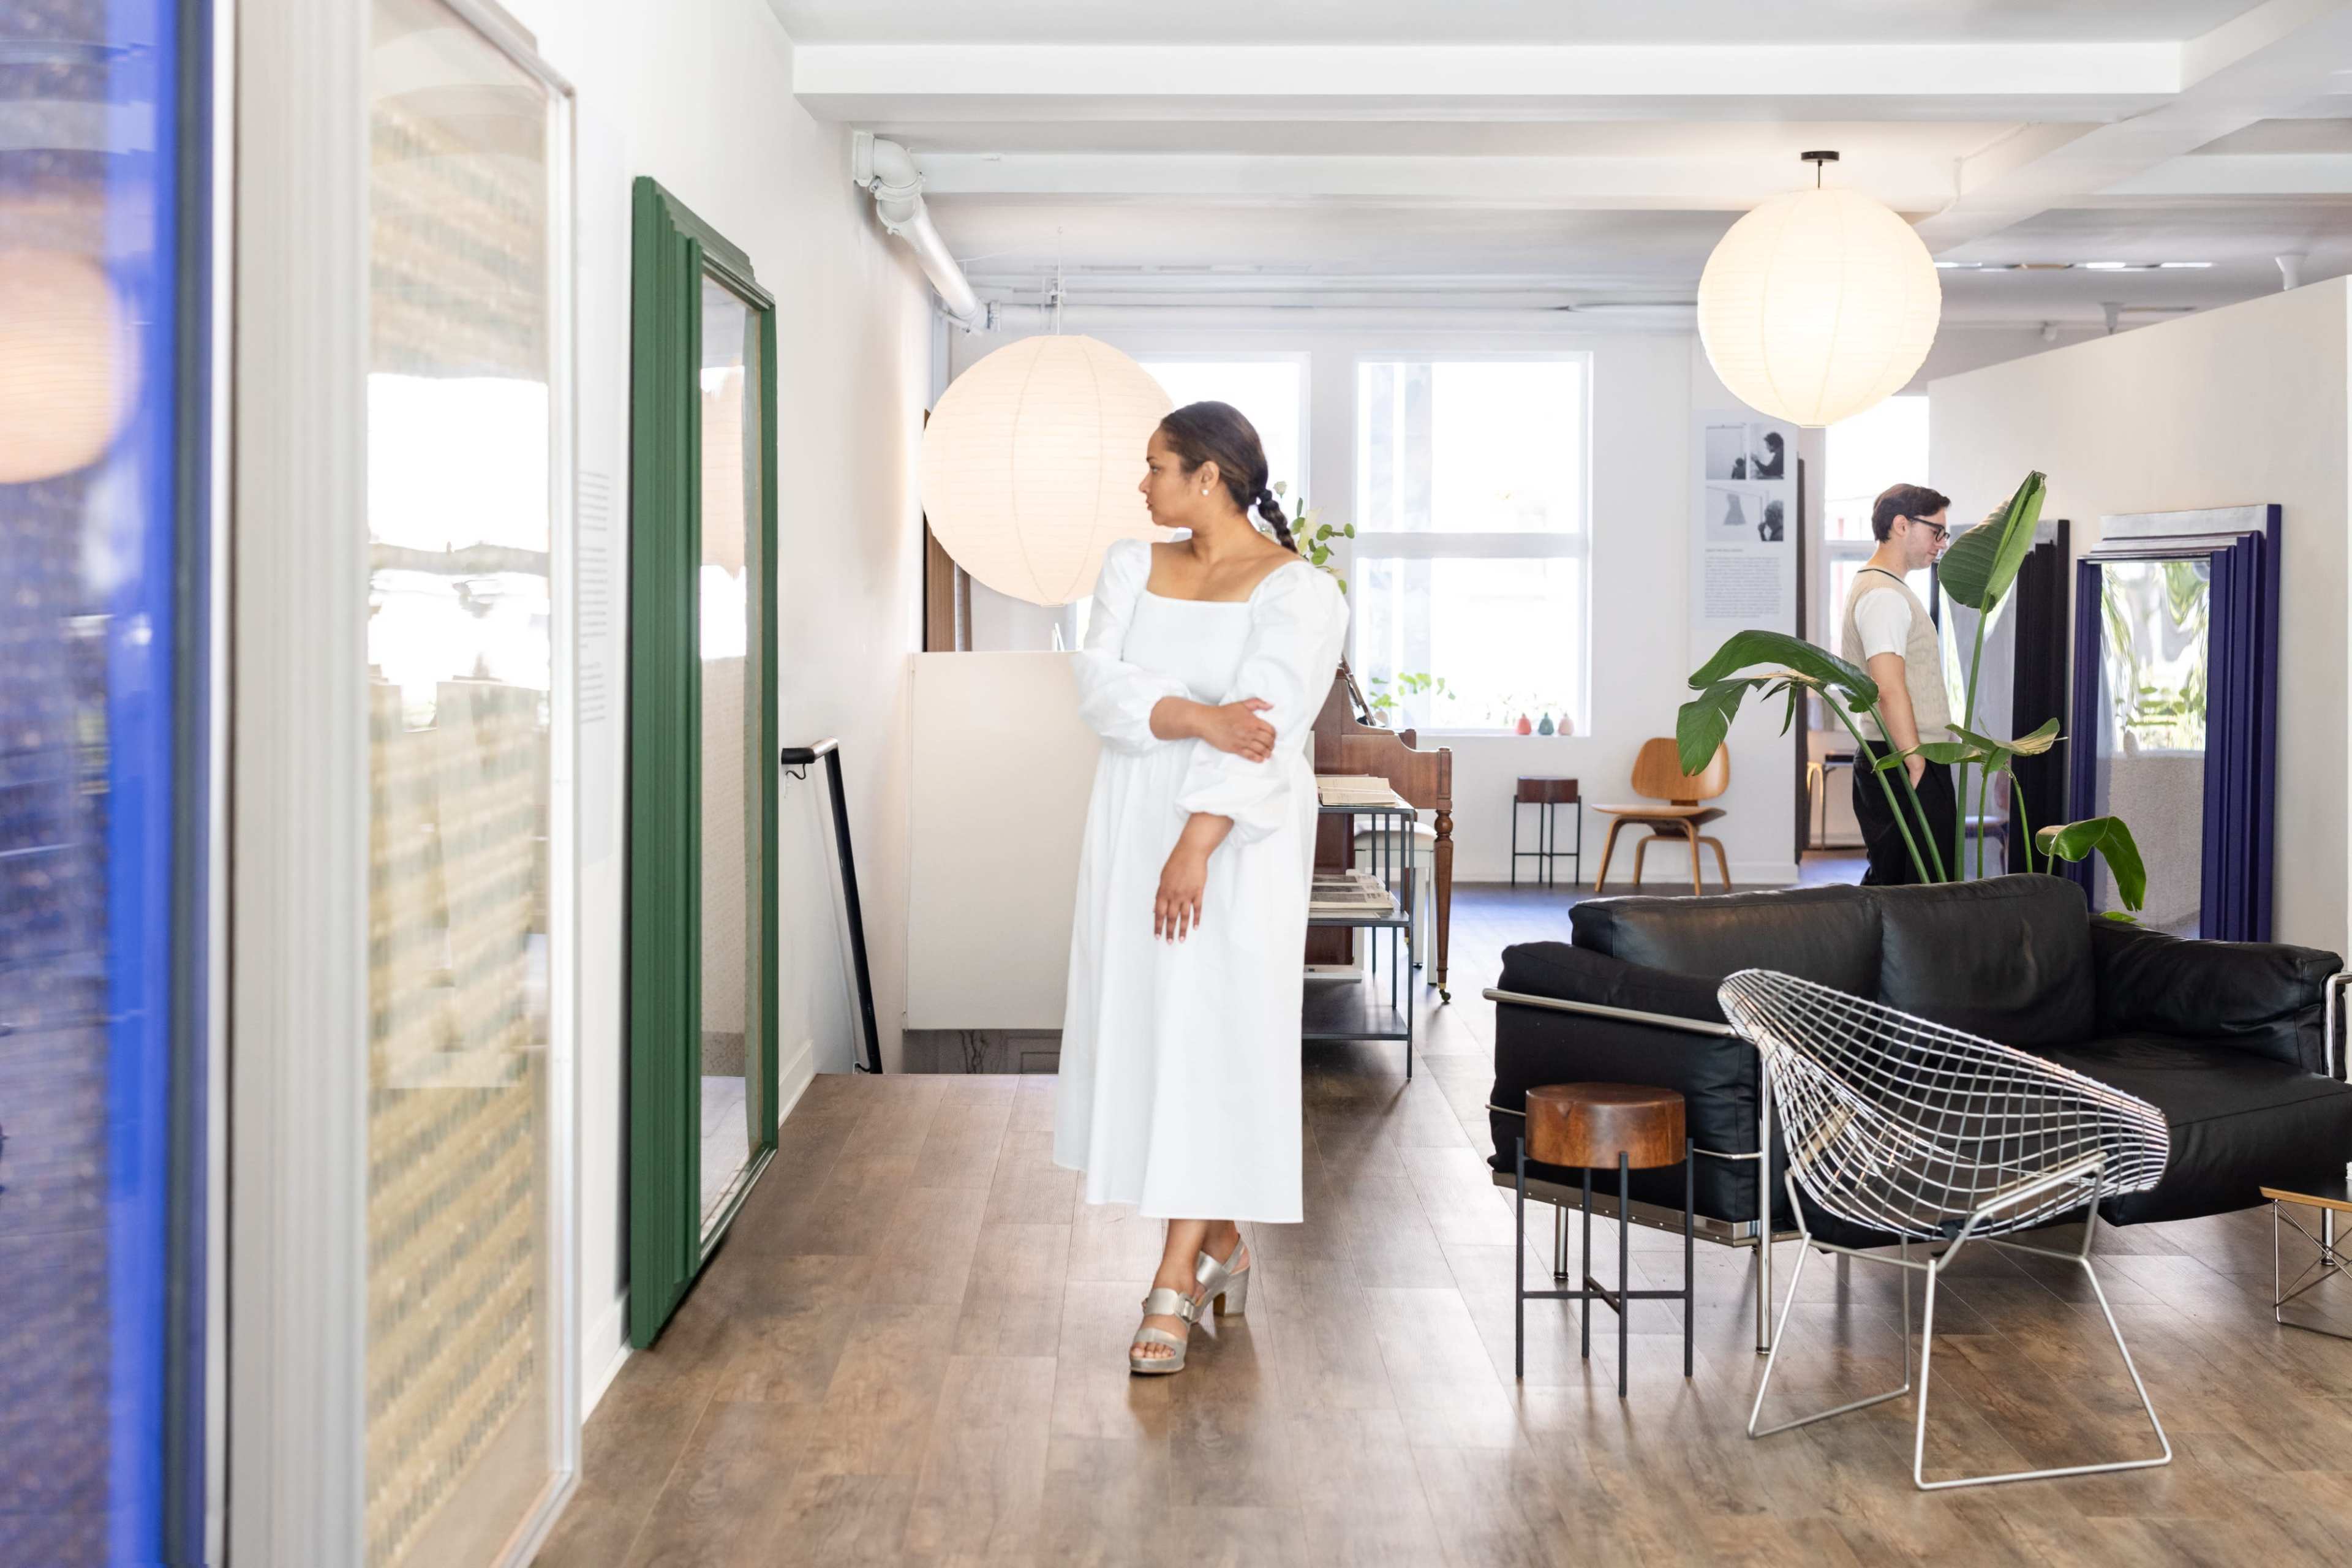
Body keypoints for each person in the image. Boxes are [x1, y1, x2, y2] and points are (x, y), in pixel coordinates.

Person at [1055, 401, 1350, 1374]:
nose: (1142, 487)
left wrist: (1196, 842)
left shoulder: (1300, 593)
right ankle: (1222, 1241)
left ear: (1207, 478)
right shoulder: (1131, 567)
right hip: (1132, 816)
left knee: (1216, 1032)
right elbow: (1099, 687)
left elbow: (1268, 730)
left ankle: (1176, 1273)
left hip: (1237, 840)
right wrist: (1192, 714)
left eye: (1155, 467)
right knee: (1157, 1031)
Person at [1838, 483, 1956, 884]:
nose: (1941, 544)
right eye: (1936, 531)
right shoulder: (1884, 595)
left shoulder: (1880, 588)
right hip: (1905, 758)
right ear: (1902, 525)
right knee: (1914, 893)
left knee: (1900, 884)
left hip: (1898, 755)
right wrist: (1915, 760)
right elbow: (1888, 687)